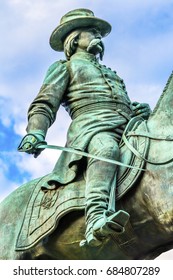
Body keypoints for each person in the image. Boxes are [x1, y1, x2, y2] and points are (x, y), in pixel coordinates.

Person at [18, 9, 151, 247]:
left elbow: (120, 102)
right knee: (107, 149)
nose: (98, 36)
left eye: (99, 32)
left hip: (129, 125)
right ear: (75, 39)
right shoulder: (64, 67)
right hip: (93, 127)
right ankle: (96, 218)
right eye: (92, 32)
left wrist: (138, 110)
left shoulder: (112, 73)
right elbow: (45, 103)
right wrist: (35, 132)